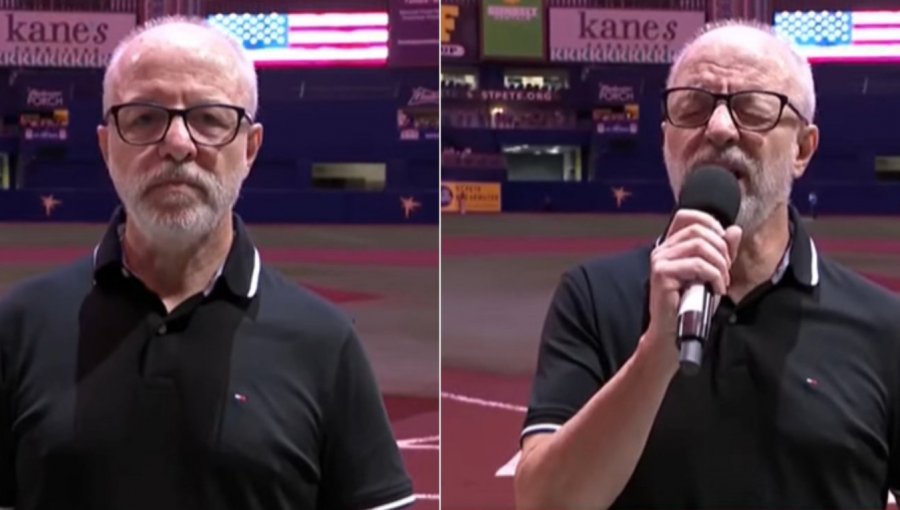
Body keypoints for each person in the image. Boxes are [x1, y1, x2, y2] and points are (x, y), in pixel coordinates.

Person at [0, 16, 414, 510]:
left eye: (210, 118)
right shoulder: (20, 327)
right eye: (144, 118)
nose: (178, 144)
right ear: (106, 146)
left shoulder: (325, 343)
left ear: (250, 149)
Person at [514, 19, 900, 510]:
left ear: (803, 148)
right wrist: (655, 355)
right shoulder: (593, 298)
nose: (718, 128)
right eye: (691, 107)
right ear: (666, 140)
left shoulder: (886, 328)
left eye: (753, 109)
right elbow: (544, 503)